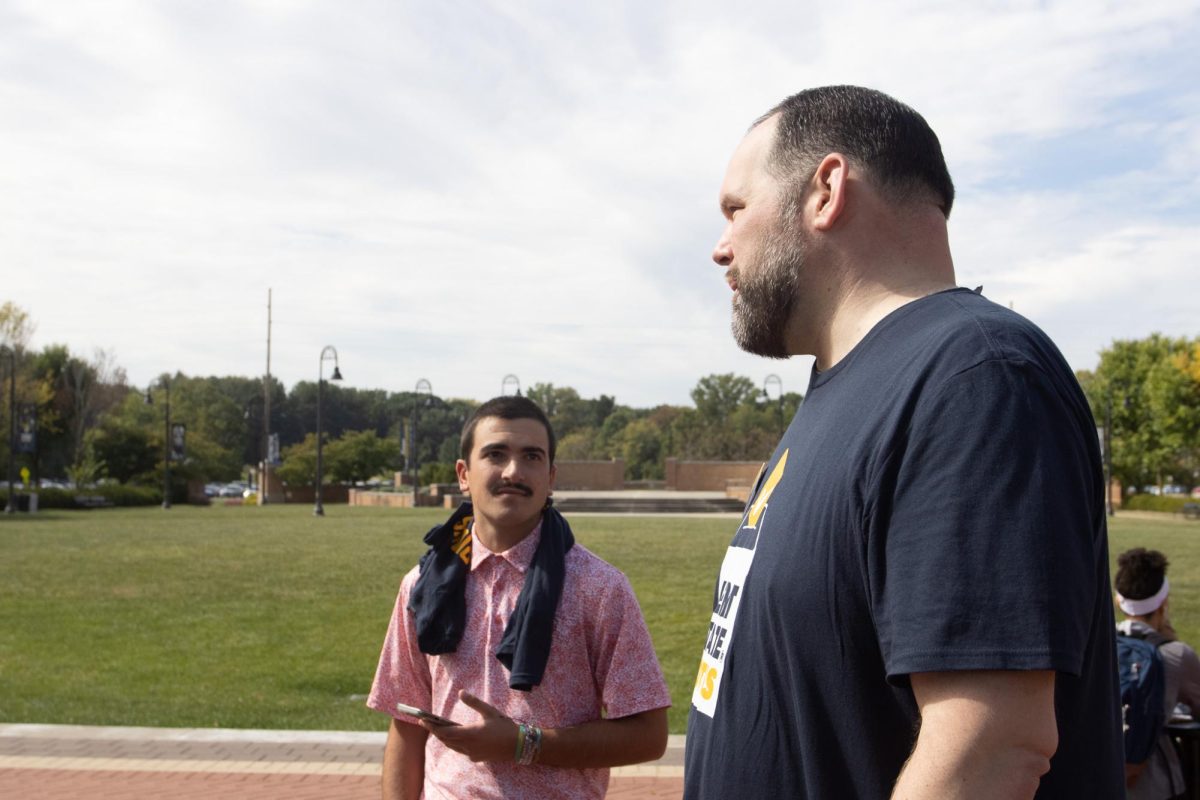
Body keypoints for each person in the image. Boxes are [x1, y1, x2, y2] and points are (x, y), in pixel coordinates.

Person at [683, 85, 1122, 798]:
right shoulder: (849, 389)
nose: (720, 247)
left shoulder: (973, 376)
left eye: (736, 208)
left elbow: (992, 746)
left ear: (825, 190)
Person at [368, 395, 670, 799]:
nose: (514, 471)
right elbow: (405, 727)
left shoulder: (599, 589)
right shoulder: (421, 586)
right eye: (495, 454)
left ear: (551, 477)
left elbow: (648, 736)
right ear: (463, 473)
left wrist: (523, 743)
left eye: (531, 456)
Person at [1115, 547, 1200, 799]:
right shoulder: (1176, 654)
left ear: (1118, 600)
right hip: (1154, 785)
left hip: (1101, 776)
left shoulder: (1099, 646)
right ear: (1164, 602)